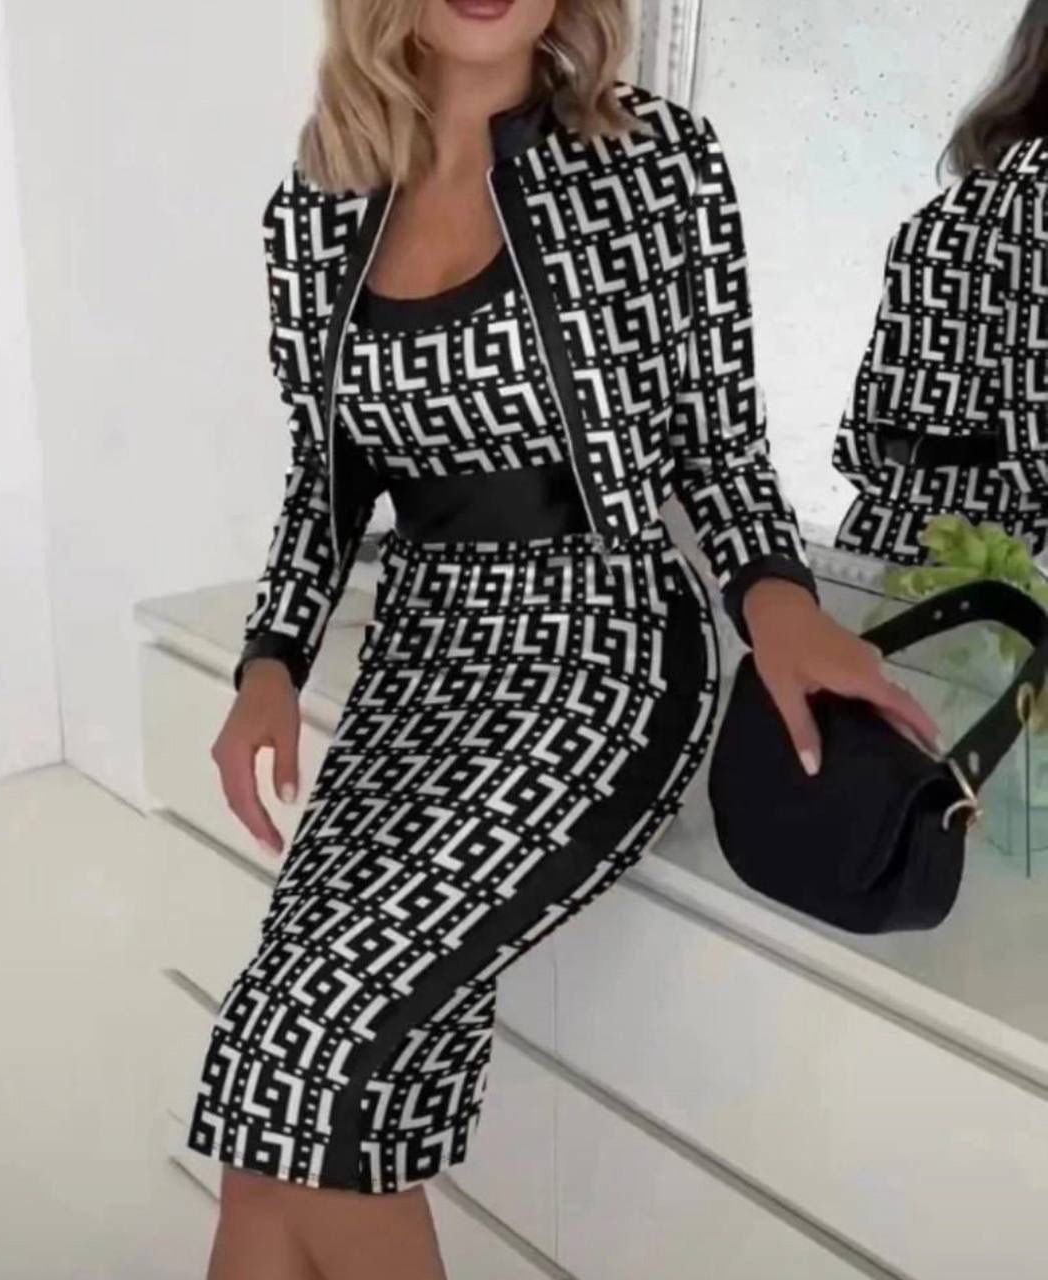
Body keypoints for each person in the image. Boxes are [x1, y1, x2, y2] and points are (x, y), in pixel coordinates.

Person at [193, 2, 940, 1277]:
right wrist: (270, 660)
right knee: (284, 1101)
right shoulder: (317, 207)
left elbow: (717, 440)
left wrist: (777, 598)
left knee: (304, 1046)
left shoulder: (655, 162)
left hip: (601, 649)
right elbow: (325, 483)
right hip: (420, 663)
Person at [832, 0, 1048, 564]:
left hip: (896, 534)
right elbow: (1036, 443)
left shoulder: (968, 196)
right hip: (992, 563)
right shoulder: (1038, 194)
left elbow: (859, 440)